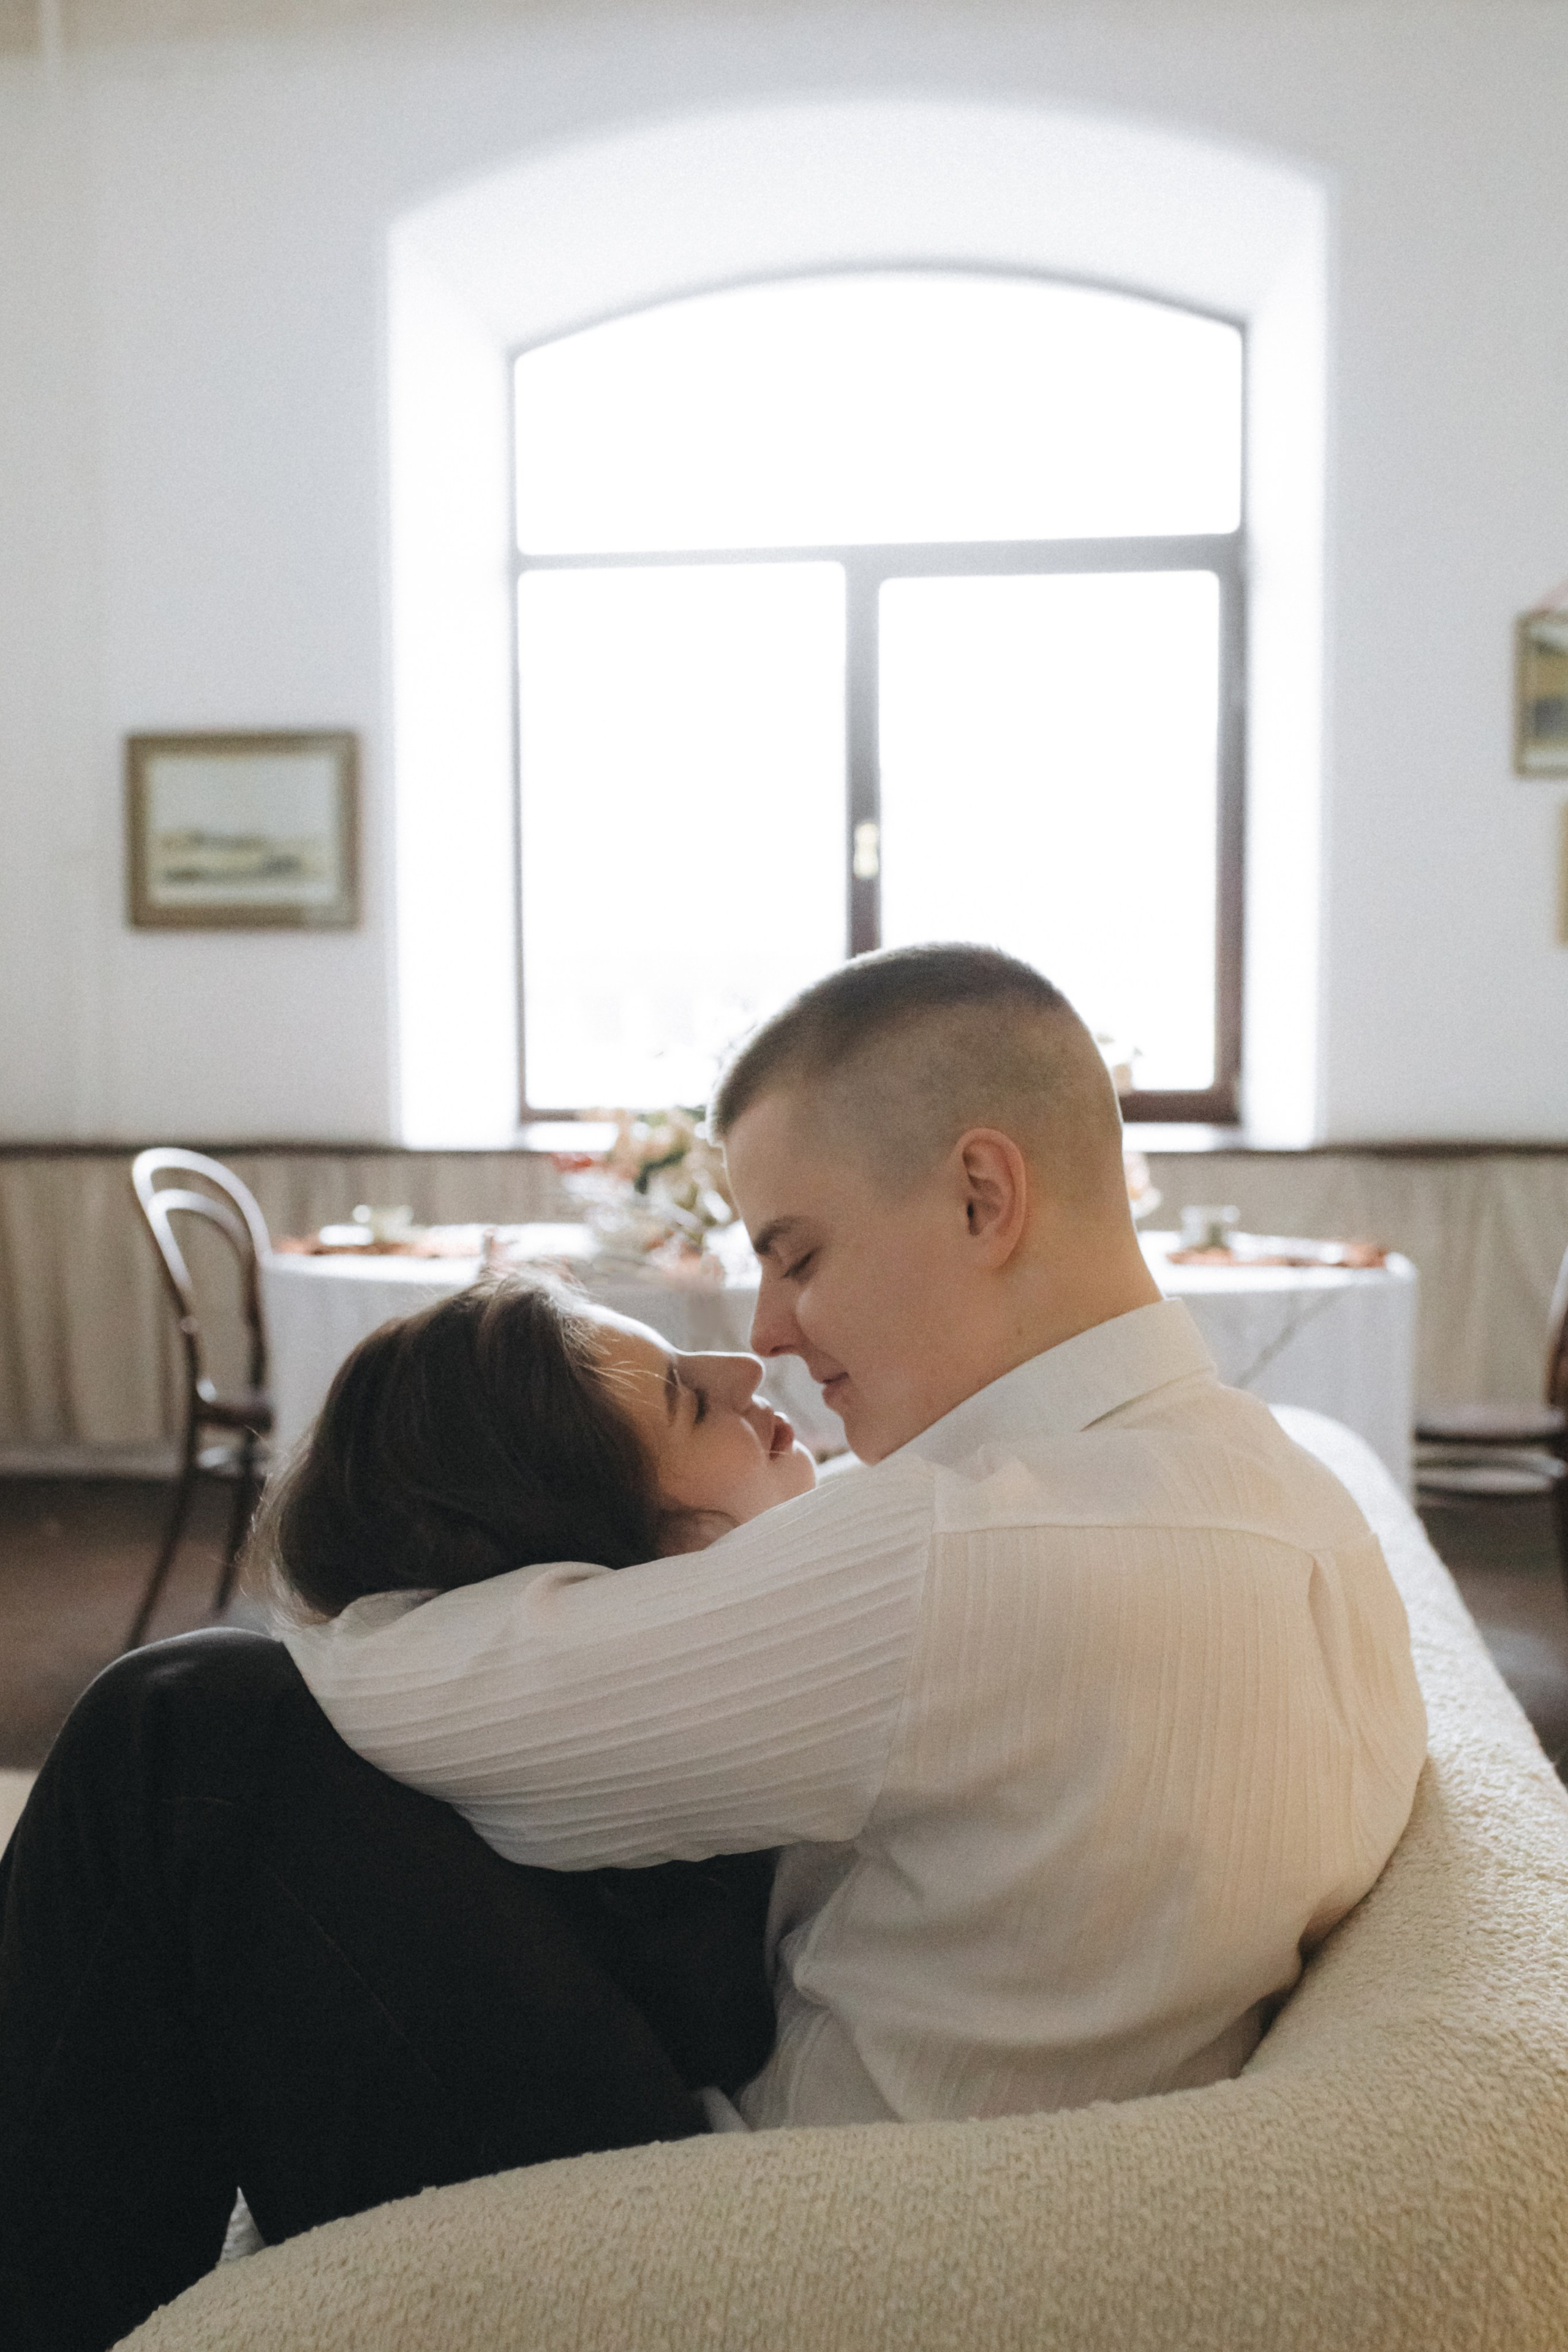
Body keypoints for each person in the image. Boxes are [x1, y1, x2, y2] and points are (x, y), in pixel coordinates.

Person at [288, 943, 1427, 2128]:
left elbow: (384, 1697)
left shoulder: (963, 1557)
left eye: (799, 1255)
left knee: (202, 1723)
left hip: (819, 2240)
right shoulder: (1303, 1507)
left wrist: (318, 1580)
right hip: (1071, 2195)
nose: (769, 1327)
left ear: (983, 1196)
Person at [0, 1277, 812, 2352]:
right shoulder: (662, 1683)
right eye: (689, 1401)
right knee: (188, 1724)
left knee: (181, 1727)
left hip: (651, 2192)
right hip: (624, 2144)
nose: (747, 1369)